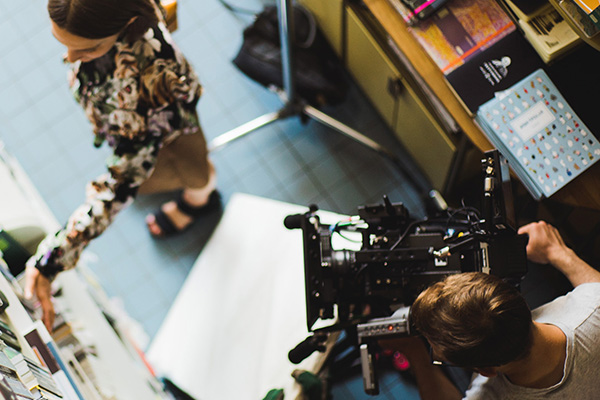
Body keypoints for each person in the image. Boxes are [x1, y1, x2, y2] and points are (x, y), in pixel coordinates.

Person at [24, 0, 220, 332]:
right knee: (152, 169)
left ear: (127, 22)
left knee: (193, 170)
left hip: (166, 132)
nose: (70, 58)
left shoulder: (152, 75)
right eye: (65, 44)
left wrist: (53, 258)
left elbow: (122, 182)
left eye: (86, 48)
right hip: (135, 124)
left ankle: (200, 199)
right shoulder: (113, 19)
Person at [380, 220, 600, 399]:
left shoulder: (489, 396)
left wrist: (417, 356)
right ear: (518, 300)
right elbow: (595, 288)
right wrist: (557, 251)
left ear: (486, 371)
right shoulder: (594, 313)